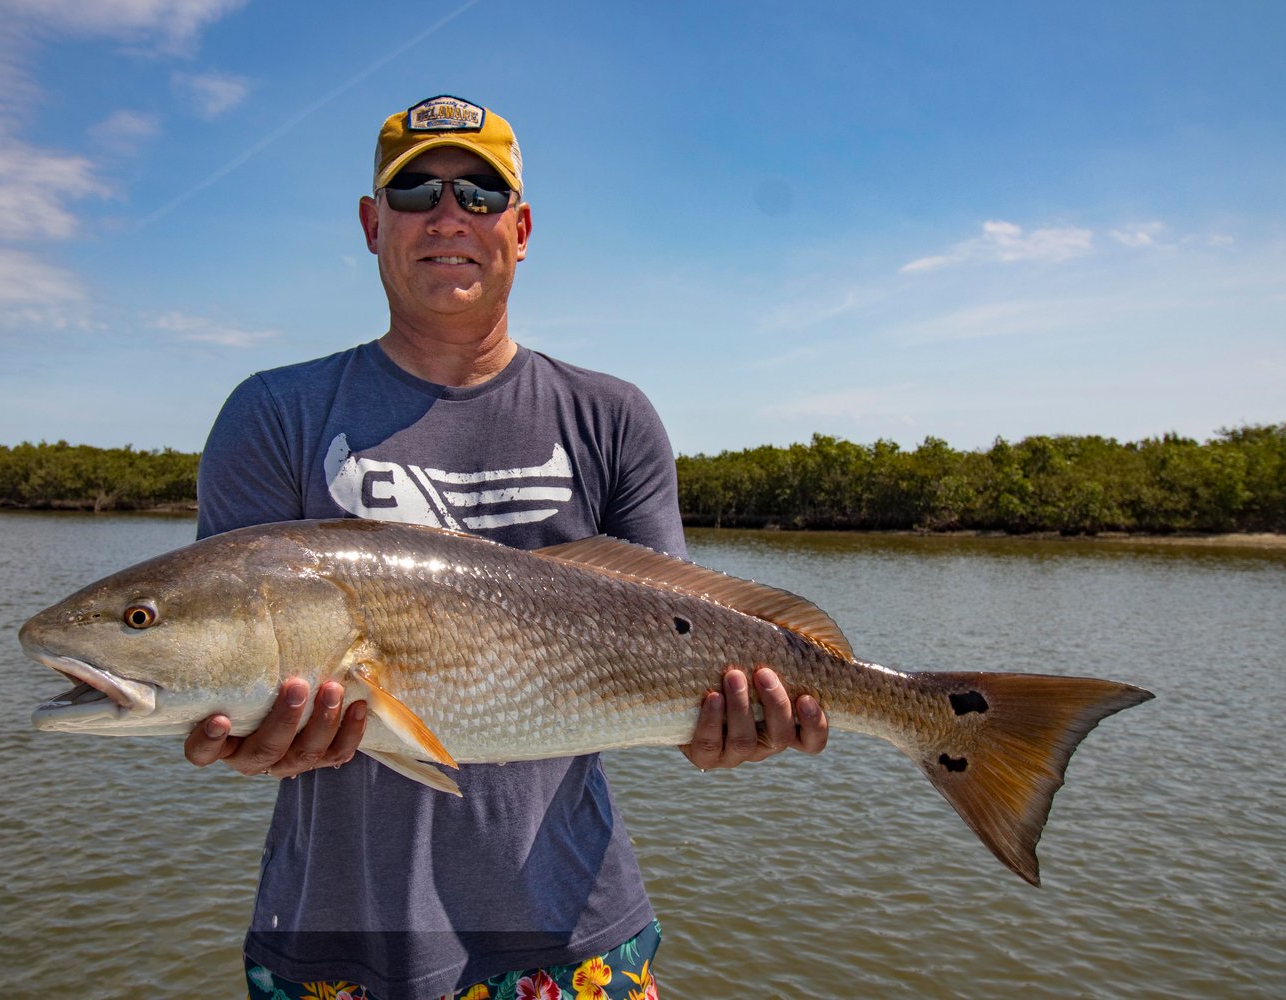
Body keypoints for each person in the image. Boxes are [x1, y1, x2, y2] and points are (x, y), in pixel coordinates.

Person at [183, 95, 828, 1000]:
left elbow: (691, 652)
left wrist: (730, 728)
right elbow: (233, 677)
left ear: (520, 230)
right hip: (334, 937)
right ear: (372, 226)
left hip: (573, 931)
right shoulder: (272, 414)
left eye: (480, 194)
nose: (449, 215)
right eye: (414, 191)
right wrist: (253, 735)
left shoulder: (612, 416)